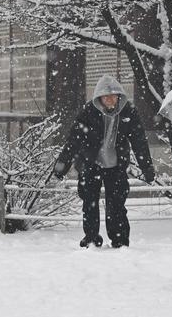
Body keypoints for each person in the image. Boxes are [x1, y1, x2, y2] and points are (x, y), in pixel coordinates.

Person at [53, 75, 156, 248]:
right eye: (106, 96)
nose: (110, 99)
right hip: (90, 163)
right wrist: (62, 165)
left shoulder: (128, 112)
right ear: (99, 97)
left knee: (117, 204)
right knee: (89, 203)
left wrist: (147, 167)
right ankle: (92, 238)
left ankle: (120, 239)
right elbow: (74, 140)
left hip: (116, 165)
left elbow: (139, 141)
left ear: (119, 96)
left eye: (114, 95)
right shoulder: (88, 112)